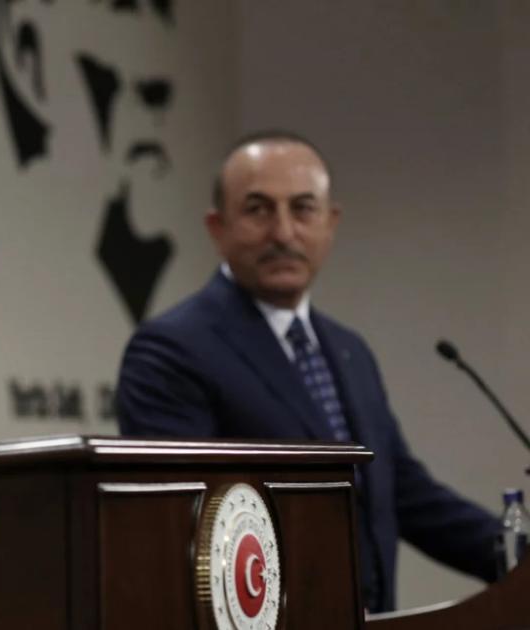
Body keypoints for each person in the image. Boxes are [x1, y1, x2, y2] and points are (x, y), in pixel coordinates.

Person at [114, 130, 501, 612]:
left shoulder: (349, 350)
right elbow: (183, 525)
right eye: (258, 210)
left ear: (330, 222)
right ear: (217, 228)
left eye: (302, 209)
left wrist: (515, 552)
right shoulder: (170, 351)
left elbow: (401, 491)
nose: (283, 233)